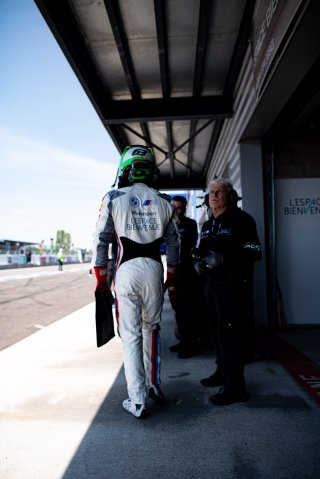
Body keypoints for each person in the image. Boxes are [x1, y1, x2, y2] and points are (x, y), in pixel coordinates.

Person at [92, 145, 180, 419]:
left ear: (125, 170)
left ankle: (137, 400)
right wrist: (172, 273)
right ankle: (154, 384)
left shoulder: (113, 197)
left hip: (125, 271)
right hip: (155, 269)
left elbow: (101, 240)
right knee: (151, 330)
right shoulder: (165, 201)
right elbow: (175, 242)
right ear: (151, 170)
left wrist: (100, 278)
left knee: (130, 336)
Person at [193, 177, 261, 405]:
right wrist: (199, 263)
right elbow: (202, 251)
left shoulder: (243, 220)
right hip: (212, 287)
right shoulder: (207, 225)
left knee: (231, 336)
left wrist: (224, 258)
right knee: (215, 332)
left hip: (234, 287)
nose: (214, 195)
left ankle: (236, 388)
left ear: (229, 196)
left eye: (219, 192)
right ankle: (222, 372)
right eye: (211, 192)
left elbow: (254, 251)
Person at [168, 195, 203, 358]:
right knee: (177, 308)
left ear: (185, 208)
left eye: (179, 207)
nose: (176, 211)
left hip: (187, 273)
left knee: (188, 310)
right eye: (174, 207)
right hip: (172, 274)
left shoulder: (190, 224)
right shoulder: (166, 225)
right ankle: (182, 340)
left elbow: (187, 246)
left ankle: (191, 344)